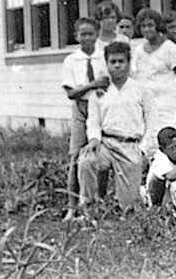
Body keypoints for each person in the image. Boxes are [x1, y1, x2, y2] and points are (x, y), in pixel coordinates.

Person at [77, 41, 149, 210]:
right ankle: (89, 205)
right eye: (113, 62)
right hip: (107, 144)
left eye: (121, 61)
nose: (117, 66)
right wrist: (94, 139)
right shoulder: (100, 91)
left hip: (131, 146)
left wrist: (144, 148)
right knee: (86, 161)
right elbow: (93, 120)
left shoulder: (140, 89)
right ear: (107, 63)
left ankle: (126, 205)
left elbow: (152, 121)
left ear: (128, 63)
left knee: (130, 206)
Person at [61, 18, 110, 218]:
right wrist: (93, 85)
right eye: (83, 34)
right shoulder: (71, 60)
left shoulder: (104, 56)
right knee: (76, 156)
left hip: (102, 106)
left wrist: (100, 86)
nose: (87, 38)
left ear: (97, 34)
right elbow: (72, 93)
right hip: (81, 108)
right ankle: (72, 206)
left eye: (90, 33)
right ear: (76, 36)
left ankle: (99, 201)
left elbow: (109, 82)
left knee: (101, 154)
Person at [132, 8, 176, 155]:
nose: (147, 29)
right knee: (149, 138)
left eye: (150, 25)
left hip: (169, 102)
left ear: (157, 26)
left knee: (170, 137)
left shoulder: (170, 48)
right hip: (148, 103)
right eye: (143, 26)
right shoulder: (138, 50)